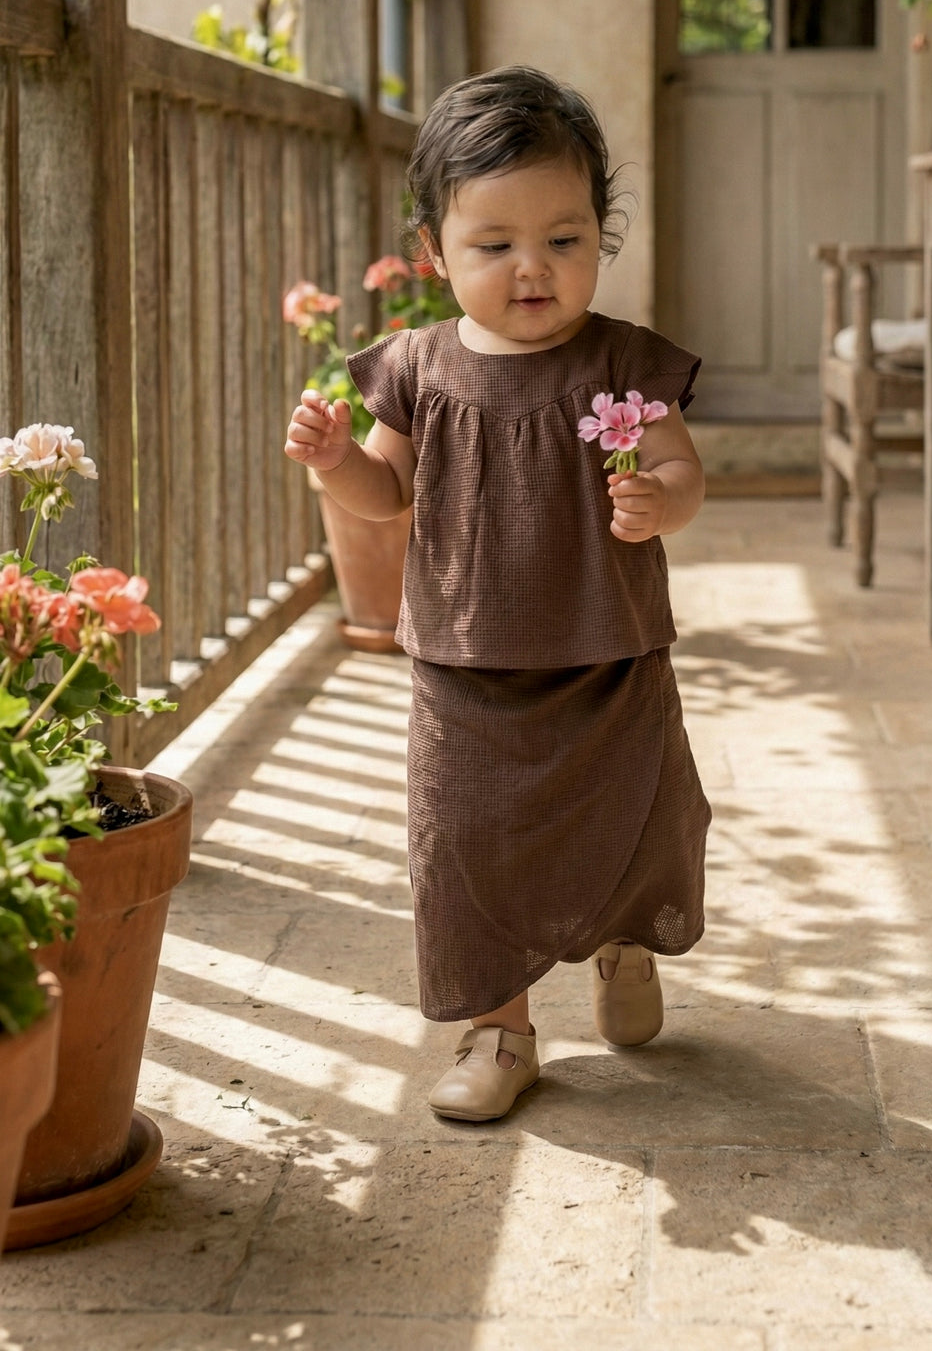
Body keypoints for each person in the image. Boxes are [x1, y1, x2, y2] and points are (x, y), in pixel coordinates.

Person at [284, 66, 712, 1123]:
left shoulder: (622, 362)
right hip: (464, 667)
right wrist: (337, 461)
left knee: (636, 819)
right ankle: (500, 1026)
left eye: (563, 241)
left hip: (609, 659)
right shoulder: (419, 367)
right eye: (495, 246)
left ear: (598, 236)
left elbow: (682, 468)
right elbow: (383, 493)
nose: (533, 269)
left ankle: (623, 945)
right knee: (466, 844)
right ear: (434, 249)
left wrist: (659, 499)